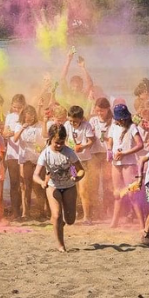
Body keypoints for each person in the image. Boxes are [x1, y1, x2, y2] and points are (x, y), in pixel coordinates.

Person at [33, 123, 85, 252]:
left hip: (69, 187)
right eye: (56, 142)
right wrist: (41, 182)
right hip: (53, 187)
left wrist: (77, 177)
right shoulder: (45, 154)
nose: (59, 145)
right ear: (51, 139)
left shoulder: (69, 152)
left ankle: (60, 224)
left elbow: (81, 170)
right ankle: (61, 245)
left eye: (61, 142)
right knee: (56, 215)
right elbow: (35, 175)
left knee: (70, 219)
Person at [107, 103, 144, 229]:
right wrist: (109, 150)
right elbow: (110, 140)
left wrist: (124, 153)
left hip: (128, 162)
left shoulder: (133, 127)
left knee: (131, 193)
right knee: (117, 193)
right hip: (116, 162)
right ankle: (115, 221)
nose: (120, 120)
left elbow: (140, 145)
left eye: (122, 118)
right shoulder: (113, 126)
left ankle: (141, 223)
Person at [64, 105, 97, 223]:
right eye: (71, 120)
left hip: (83, 162)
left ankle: (87, 217)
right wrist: (68, 146)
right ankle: (71, 214)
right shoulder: (66, 125)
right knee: (71, 189)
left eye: (75, 121)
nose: (73, 123)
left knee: (83, 190)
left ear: (81, 119)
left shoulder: (86, 126)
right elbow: (64, 139)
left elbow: (91, 141)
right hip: (71, 162)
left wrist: (82, 146)